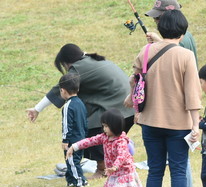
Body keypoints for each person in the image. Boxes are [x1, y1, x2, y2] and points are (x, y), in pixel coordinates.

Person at [133, 10, 201, 187]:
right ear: (182, 33)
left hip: (150, 121)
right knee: (178, 171)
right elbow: (192, 94)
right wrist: (195, 125)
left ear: (160, 29)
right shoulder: (186, 55)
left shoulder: (145, 51)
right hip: (178, 123)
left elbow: (134, 82)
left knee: (155, 170)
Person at [27, 44, 134, 178]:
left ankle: (102, 168)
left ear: (66, 62)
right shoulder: (92, 60)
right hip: (129, 108)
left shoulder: (78, 68)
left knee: (88, 129)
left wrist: (37, 109)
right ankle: (118, 159)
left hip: (120, 108)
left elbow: (61, 88)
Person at [143, 0, 197, 187]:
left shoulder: (182, 42)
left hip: (158, 120)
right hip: (174, 121)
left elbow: (135, 80)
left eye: (159, 18)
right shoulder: (177, 49)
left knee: (163, 170)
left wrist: (158, 43)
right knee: (177, 169)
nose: (157, 22)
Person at [67, 109, 146, 187]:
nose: (104, 129)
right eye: (103, 126)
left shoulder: (121, 141)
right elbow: (90, 141)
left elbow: (122, 156)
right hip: (113, 173)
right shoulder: (104, 138)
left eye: (106, 126)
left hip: (123, 173)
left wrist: (114, 167)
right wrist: (74, 147)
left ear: (115, 126)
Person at [59, 73, 88, 187]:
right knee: (74, 160)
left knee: (72, 160)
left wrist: (65, 140)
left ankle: (80, 181)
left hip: (72, 140)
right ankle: (71, 180)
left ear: (63, 90)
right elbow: (85, 121)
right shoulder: (80, 103)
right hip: (81, 137)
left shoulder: (68, 106)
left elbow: (67, 125)